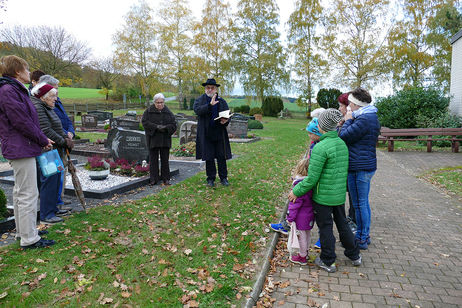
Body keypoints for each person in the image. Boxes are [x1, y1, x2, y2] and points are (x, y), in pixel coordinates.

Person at [288, 109, 361, 273]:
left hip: (323, 198)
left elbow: (312, 179)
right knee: (343, 224)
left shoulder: (320, 148)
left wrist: (296, 191)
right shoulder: (342, 144)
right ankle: (354, 254)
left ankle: (328, 260)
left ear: (321, 126)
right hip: (338, 195)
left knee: (325, 227)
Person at [0, 55, 55, 249]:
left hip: (22, 145)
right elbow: (21, 121)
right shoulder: (8, 90)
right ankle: (29, 238)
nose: (28, 72)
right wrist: (42, 139)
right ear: (17, 71)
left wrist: (40, 139)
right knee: (28, 193)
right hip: (20, 147)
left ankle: (25, 231)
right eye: (26, 68)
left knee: (20, 192)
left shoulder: (15, 89)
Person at [339, 88, 380, 250]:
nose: (348, 106)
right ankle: (364, 235)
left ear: (356, 104)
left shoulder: (364, 119)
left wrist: (348, 120)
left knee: (359, 204)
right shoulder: (369, 117)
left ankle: (362, 238)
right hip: (364, 165)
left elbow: (344, 136)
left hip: (359, 167)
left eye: (350, 103)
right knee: (362, 203)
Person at [31, 82, 74, 224]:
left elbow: (57, 126)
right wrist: (63, 141)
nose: (56, 99)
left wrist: (67, 138)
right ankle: (47, 214)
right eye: (53, 96)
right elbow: (46, 130)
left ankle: (53, 208)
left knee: (55, 179)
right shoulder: (38, 107)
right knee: (49, 181)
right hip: (47, 150)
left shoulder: (47, 107)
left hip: (53, 150)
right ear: (43, 97)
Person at [270, 118, 321, 235]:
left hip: (312, 181)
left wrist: (300, 183)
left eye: (310, 133)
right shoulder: (315, 144)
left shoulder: (320, 147)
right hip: (308, 178)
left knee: (301, 202)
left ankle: (289, 224)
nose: (309, 136)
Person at [38, 75, 75, 207]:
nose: (56, 94)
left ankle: (58, 200)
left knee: (59, 175)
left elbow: (65, 119)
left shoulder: (56, 101)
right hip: (54, 145)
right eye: (54, 90)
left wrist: (71, 132)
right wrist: (64, 138)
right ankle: (52, 206)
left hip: (62, 142)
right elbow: (49, 127)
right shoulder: (42, 105)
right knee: (52, 178)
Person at [193, 78, 232, 187]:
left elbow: (227, 115)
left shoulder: (222, 101)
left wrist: (226, 120)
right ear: (205, 89)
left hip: (219, 133)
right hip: (206, 134)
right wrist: (210, 105)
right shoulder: (200, 100)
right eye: (208, 88)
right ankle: (210, 178)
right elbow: (198, 111)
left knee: (221, 156)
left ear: (216, 89)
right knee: (209, 157)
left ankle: (223, 178)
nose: (210, 90)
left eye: (212, 88)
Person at [141, 93, 177, 185]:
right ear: (154, 103)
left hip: (165, 140)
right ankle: (154, 179)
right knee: (153, 160)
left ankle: (166, 178)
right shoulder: (148, 112)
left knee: (165, 160)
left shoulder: (168, 112)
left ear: (164, 102)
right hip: (153, 140)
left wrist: (165, 128)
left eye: (161, 102)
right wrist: (156, 127)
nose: (160, 104)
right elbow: (145, 123)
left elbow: (173, 125)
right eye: (157, 103)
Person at [285, 158, 315, 265]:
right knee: (307, 235)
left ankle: (302, 257)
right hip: (310, 215)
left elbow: (294, 204)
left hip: (301, 217)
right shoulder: (311, 184)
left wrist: (290, 218)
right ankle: (305, 252)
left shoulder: (299, 187)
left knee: (301, 237)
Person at [337, 92, 357, 233]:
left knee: (353, 196)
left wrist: (346, 122)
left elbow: (343, 139)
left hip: (351, 165)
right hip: (345, 164)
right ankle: (348, 222)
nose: (339, 109)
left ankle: (352, 224)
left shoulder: (353, 122)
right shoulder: (346, 121)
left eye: (341, 106)